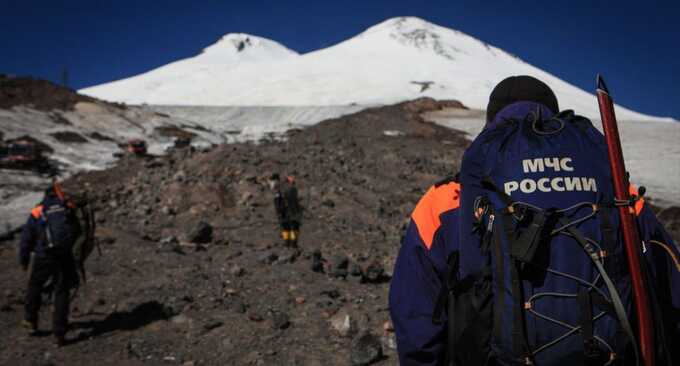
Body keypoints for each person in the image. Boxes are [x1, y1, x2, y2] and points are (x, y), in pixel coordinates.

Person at [389, 76, 680, 365]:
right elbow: (670, 282)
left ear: (490, 127)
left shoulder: (449, 198)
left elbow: (415, 311)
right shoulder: (617, 190)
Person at [19, 183, 82, 347]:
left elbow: (26, 238)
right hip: (64, 255)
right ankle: (59, 334)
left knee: (35, 286)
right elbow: (77, 230)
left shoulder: (38, 210)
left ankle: (31, 322)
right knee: (61, 292)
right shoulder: (67, 207)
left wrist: (24, 259)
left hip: (44, 255)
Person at [271, 173, 303, 246]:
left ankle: (288, 242)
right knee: (291, 226)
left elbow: (278, 201)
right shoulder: (290, 188)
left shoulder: (281, 188)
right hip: (291, 211)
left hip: (286, 211)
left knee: (287, 226)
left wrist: (279, 211)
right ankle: (292, 242)